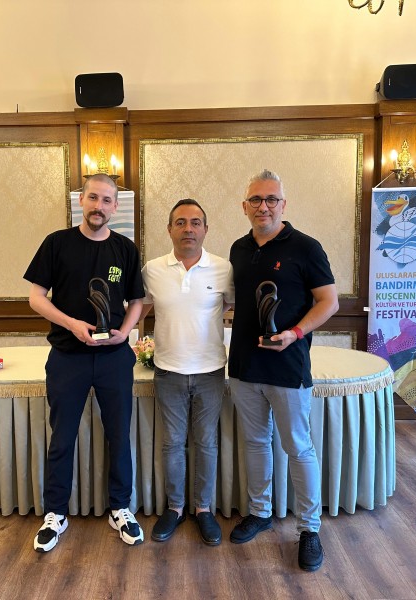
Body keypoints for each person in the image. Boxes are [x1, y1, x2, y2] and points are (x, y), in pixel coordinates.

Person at [24, 173, 145, 552]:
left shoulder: (125, 249)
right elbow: (36, 298)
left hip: (114, 359)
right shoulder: (56, 243)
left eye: (107, 200)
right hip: (67, 357)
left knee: (119, 436)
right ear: (81, 200)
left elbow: (137, 301)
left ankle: (120, 508)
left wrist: (126, 331)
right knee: (62, 438)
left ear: (115, 207)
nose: (99, 206)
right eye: (93, 198)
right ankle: (55, 514)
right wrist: (72, 324)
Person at [227, 169, 338, 572]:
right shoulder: (238, 249)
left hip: (289, 367)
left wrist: (295, 333)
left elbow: (329, 302)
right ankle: (260, 512)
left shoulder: (306, 247)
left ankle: (309, 529)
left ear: (283, 205)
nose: (264, 206)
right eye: (256, 200)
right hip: (244, 366)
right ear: (245, 207)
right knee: (256, 443)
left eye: (271, 199)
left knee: (298, 447)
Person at [141, 199, 234, 546]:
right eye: (180, 222)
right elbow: (139, 310)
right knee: (172, 444)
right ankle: (175, 508)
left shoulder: (223, 268)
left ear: (206, 229)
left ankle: (203, 509)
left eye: (196, 222)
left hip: (210, 372)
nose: (188, 229)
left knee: (206, 443)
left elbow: (232, 306)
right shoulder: (152, 269)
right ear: (169, 229)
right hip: (168, 371)